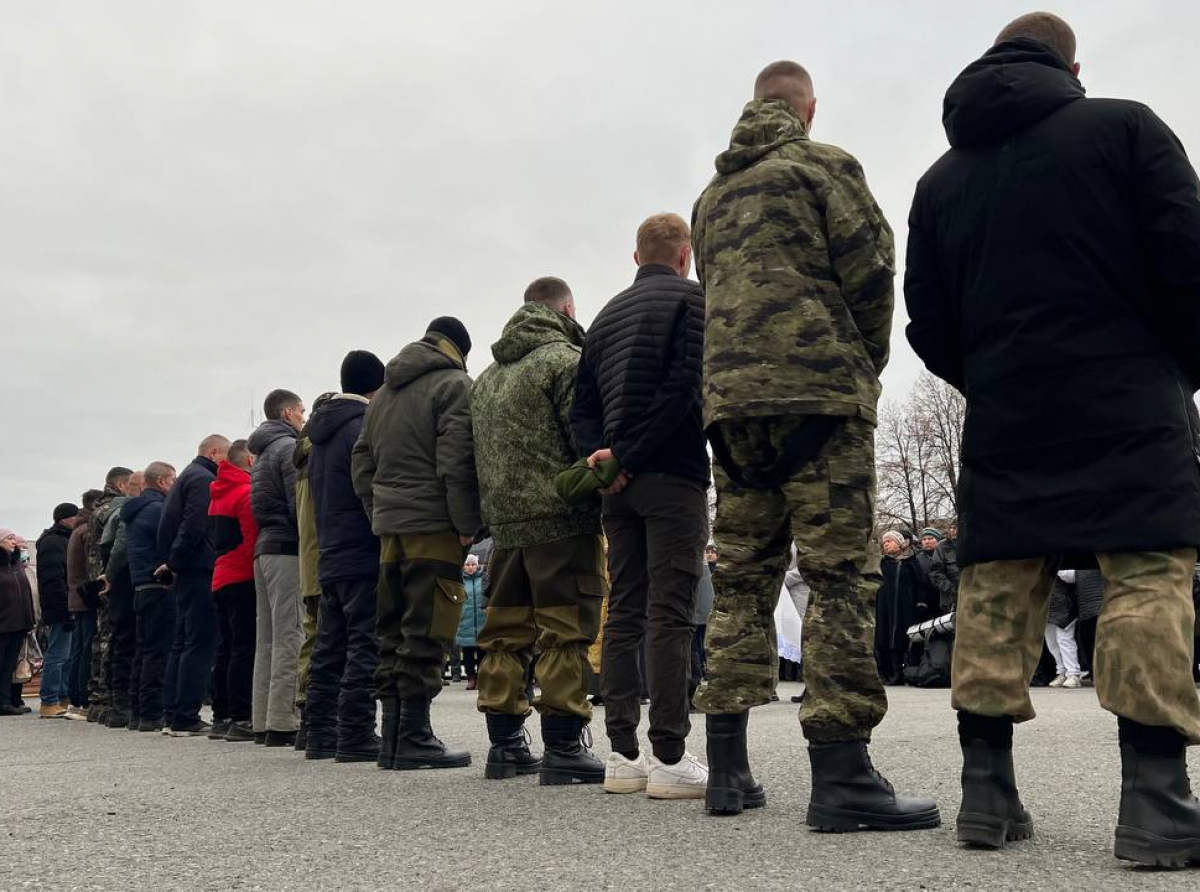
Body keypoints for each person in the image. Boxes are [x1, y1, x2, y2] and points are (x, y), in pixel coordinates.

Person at [904, 12, 1200, 865]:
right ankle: (1156, 803)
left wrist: (992, 374)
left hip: (1007, 407)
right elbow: (1187, 257)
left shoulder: (940, 179)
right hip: (1128, 392)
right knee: (1146, 574)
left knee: (998, 585)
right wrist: (1176, 364)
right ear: (1075, 66)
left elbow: (929, 320)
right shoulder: (1127, 127)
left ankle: (985, 798)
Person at [690, 60, 939, 828]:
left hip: (732, 414)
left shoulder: (710, 197)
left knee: (740, 583)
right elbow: (871, 270)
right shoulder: (822, 166)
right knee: (837, 581)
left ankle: (727, 772)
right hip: (818, 399)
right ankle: (842, 777)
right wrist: (861, 363)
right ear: (808, 109)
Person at [570, 214, 710, 799]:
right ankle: (671, 755)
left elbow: (581, 408)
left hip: (616, 489)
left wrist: (606, 461)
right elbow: (685, 389)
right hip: (672, 476)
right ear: (685, 255)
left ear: (636, 258)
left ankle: (622, 754)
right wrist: (630, 453)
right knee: (671, 610)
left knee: (623, 607)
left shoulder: (602, 319)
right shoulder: (693, 302)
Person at [472, 278, 608, 785]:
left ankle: (504, 745)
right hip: (561, 521)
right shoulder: (565, 362)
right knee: (564, 632)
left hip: (504, 530)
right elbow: (585, 442)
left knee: (503, 636)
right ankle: (564, 746)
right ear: (567, 308)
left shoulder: (486, 378)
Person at [353, 317, 480, 770]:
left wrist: (378, 513)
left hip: (392, 529)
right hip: (434, 523)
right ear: (460, 348)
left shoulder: (383, 395)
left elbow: (362, 461)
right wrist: (466, 523)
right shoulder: (453, 385)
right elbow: (457, 459)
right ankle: (414, 737)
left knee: (393, 628)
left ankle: (392, 739)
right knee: (429, 628)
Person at [304, 352, 385, 764]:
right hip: (360, 549)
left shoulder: (319, 433)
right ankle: (355, 732)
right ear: (375, 387)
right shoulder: (361, 426)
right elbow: (371, 486)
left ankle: (319, 732)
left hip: (330, 551)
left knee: (329, 647)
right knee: (364, 643)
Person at [158, 434, 229, 737]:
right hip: (199, 568)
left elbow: (171, 525)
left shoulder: (187, 475)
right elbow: (195, 525)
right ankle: (186, 716)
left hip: (186, 570)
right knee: (199, 644)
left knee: (183, 643)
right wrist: (176, 561)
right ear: (214, 452)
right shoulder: (203, 479)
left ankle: (173, 713)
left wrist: (171, 562)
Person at [249, 390, 306, 747]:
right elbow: (297, 502)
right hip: (287, 548)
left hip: (263, 550)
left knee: (267, 638)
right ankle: (285, 719)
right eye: (301, 411)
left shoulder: (263, 452)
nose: (304, 417)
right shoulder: (288, 449)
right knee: (291, 634)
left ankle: (263, 717)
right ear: (287, 413)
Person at [207, 439, 259, 742]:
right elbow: (251, 538)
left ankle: (222, 715)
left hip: (220, 576)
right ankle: (242, 715)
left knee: (225, 648)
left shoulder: (216, 495)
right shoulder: (246, 493)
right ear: (250, 461)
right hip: (243, 575)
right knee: (244, 647)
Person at [293, 392, 335, 751]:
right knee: (332, 641)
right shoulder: (328, 452)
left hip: (309, 563)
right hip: (329, 559)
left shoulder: (303, 456)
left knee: (313, 638)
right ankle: (324, 720)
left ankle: (310, 719)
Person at [125, 463, 177, 732]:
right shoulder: (158, 510)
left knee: (143, 651)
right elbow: (169, 542)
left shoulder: (136, 512)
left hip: (140, 586)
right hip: (158, 585)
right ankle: (152, 712)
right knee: (158, 652)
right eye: (173, 479)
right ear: (161, 481)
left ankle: (137, 711)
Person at [84, 466, 134, 723]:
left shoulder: (97, 510)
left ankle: (97, 699)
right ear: (123, 485)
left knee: (101, 639)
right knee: (111, 638)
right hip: (111, 580)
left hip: (96, 577)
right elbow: (119, 546)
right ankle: (108, 698)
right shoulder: (118, 508)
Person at [97, 470, 145, 730]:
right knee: (128, 640)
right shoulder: (129, 511)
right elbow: (122, 547)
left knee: (118, 639)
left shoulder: (110, 511)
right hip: (125, 580)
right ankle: (121, 704)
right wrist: (112, 575)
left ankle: (115, 702)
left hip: (118, 582)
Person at [35, 503, 81, 718]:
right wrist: (65, 608)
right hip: (60, 607)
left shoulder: (60, 540)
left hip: (63, 604)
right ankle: (49, 700)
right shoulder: (55, 542)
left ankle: (62, 697)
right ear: (66, 518)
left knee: (67, 655)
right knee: (57, 654)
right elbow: (54, 581)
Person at [65, 489, 104, 719]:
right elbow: (92, 567)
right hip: (87, 597)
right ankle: (82, 701)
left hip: (75, 598)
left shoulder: (76, 529)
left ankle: (74, 700)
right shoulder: (88, 530)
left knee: (78, 650)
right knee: (88, 649)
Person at [876, 532, 921, 685]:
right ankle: (890, 671)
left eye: (890, 541)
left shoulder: (911, 562)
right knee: (885, 636)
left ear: (900, 543)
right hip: (886, 607)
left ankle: (906, 671)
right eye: (884, 542)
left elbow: (920, 583)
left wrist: (921, 602)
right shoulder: (882, 563)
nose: (886, 544)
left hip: (905, 606)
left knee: (903, 637)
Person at [0, 530, 35, 717]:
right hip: (3, 623)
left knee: (9, 666)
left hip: (18, 623)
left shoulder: (15, 564)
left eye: (14, 538)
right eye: (8, 538)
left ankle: (7, 701)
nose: (13, 542)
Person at [456, 554, 484, 692]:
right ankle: (471, 678)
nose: (470, 567)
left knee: (482, 654)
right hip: (465, 622)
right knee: (467, 655)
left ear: (477, 565)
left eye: (473, 564)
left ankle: (482, 678)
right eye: (467, 565)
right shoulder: (460, 581)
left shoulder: (483, 580)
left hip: (481, 622)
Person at [929, 522, 960, 612]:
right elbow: (935, 572)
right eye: (951, 528)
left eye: (956, 528)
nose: (953, 531)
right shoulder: (942, 546)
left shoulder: (972, 544)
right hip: (950, 600)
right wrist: (951, 588)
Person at [914, 528, 944, 622]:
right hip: (927, 603)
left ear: (938, 540)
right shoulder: (917, 560)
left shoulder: (946, 555)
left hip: (944, 597)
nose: (927, 542)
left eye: (930, 538)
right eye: (924, 539)